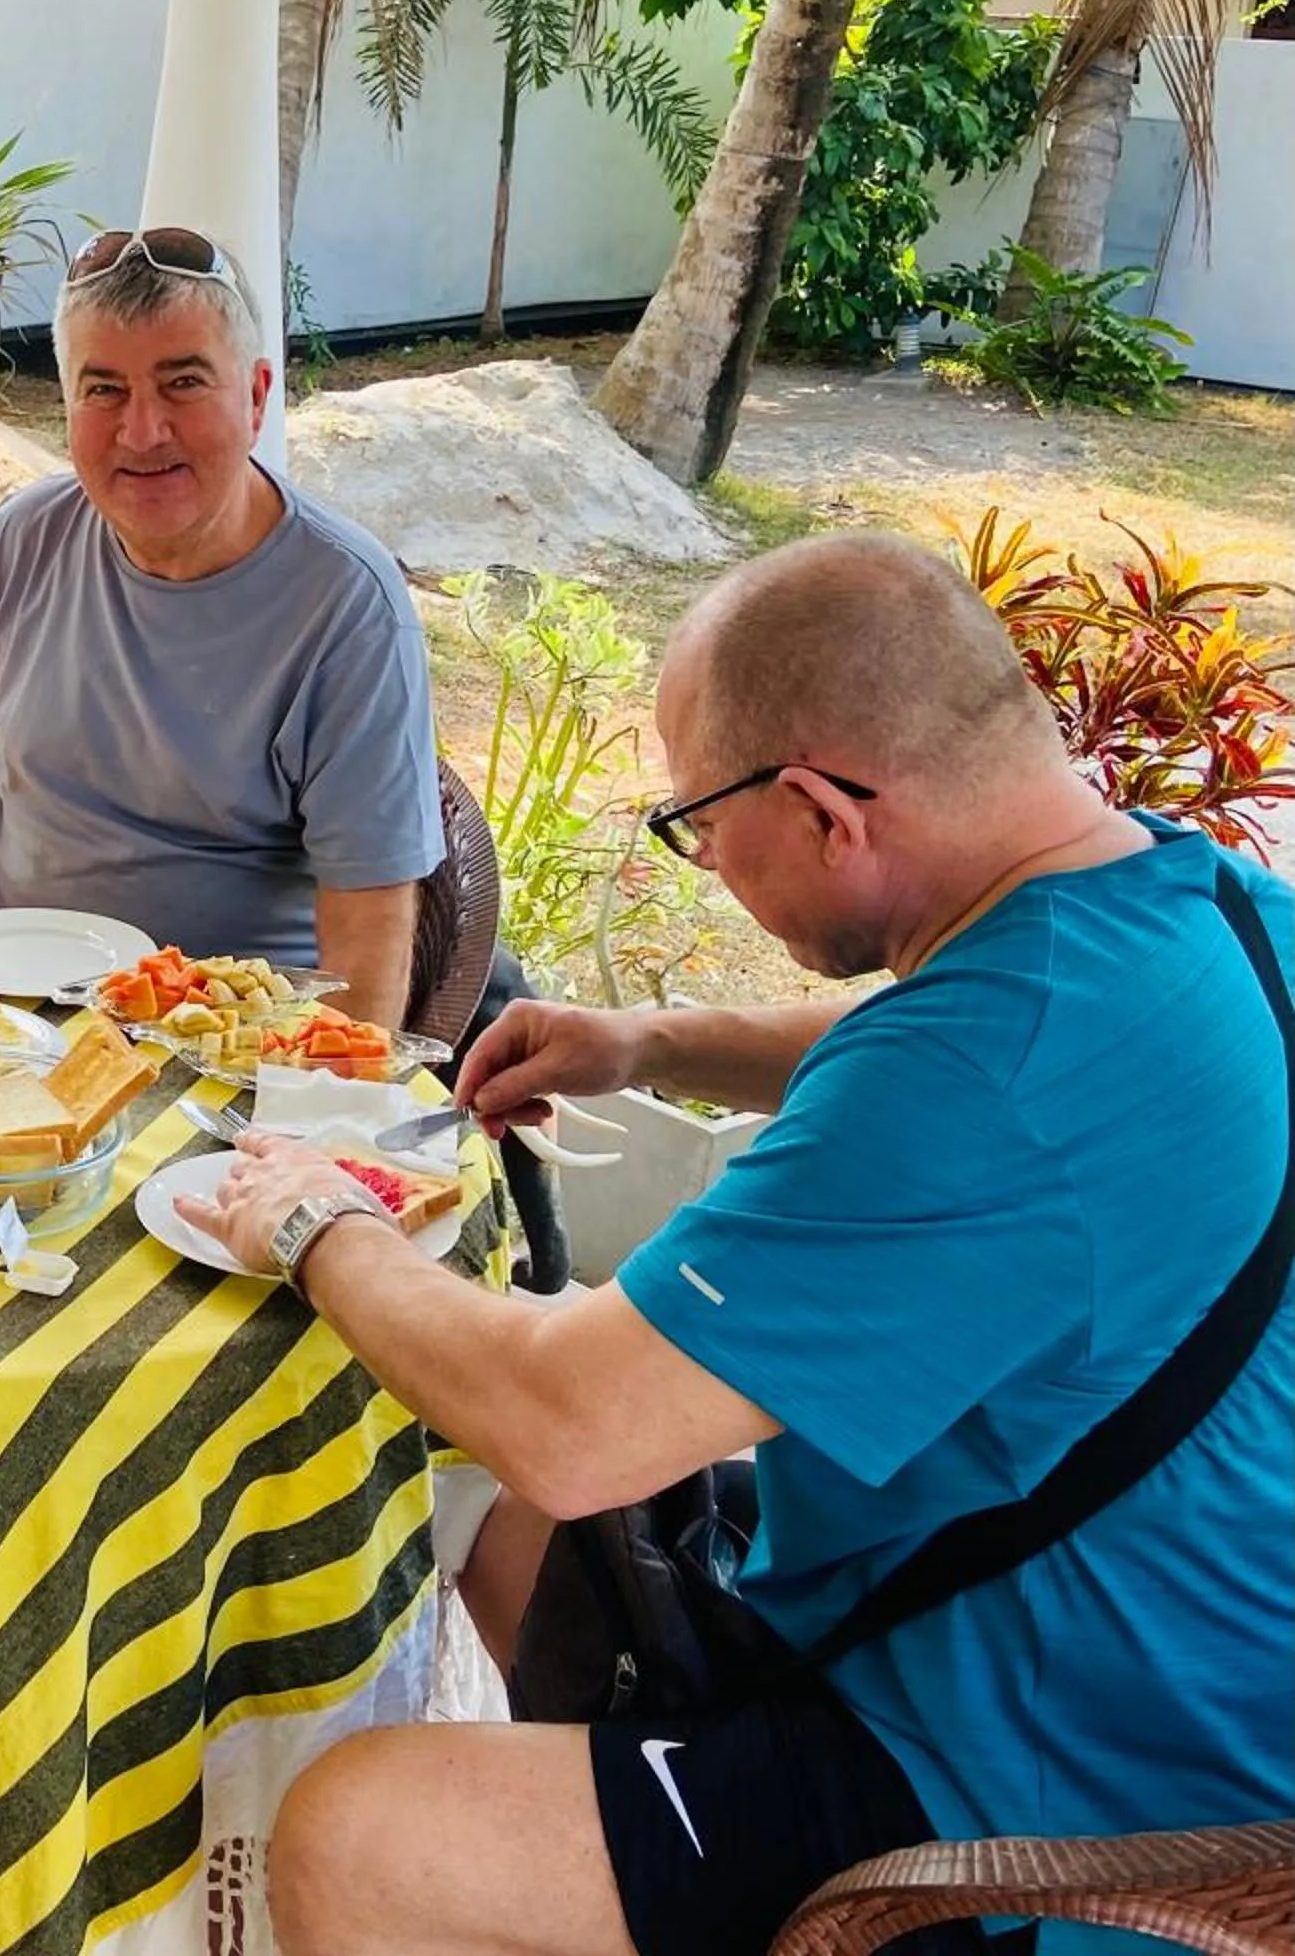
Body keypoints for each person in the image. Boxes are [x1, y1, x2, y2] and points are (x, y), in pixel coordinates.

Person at [176, 532, 1294, 1956]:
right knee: (496, 1510)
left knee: (364, 1830)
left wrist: (314, 1220)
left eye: (698, 824)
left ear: (825, 809)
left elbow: (565, 1420)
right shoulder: (1206, 909)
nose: (706, 864)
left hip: (1055, 1799)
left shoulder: (978, 1083)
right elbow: (928, 1038)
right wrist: (651, 1042)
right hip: (1171, 1645)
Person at [0, 225, 442, 1023]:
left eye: (183, 383)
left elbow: (370, 911)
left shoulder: (344, 606)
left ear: (258, 395)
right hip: (16, 1016)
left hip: (226, 1050)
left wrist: (326, 1100)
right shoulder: (23, 539)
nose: (142, 432)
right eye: (104, 390)